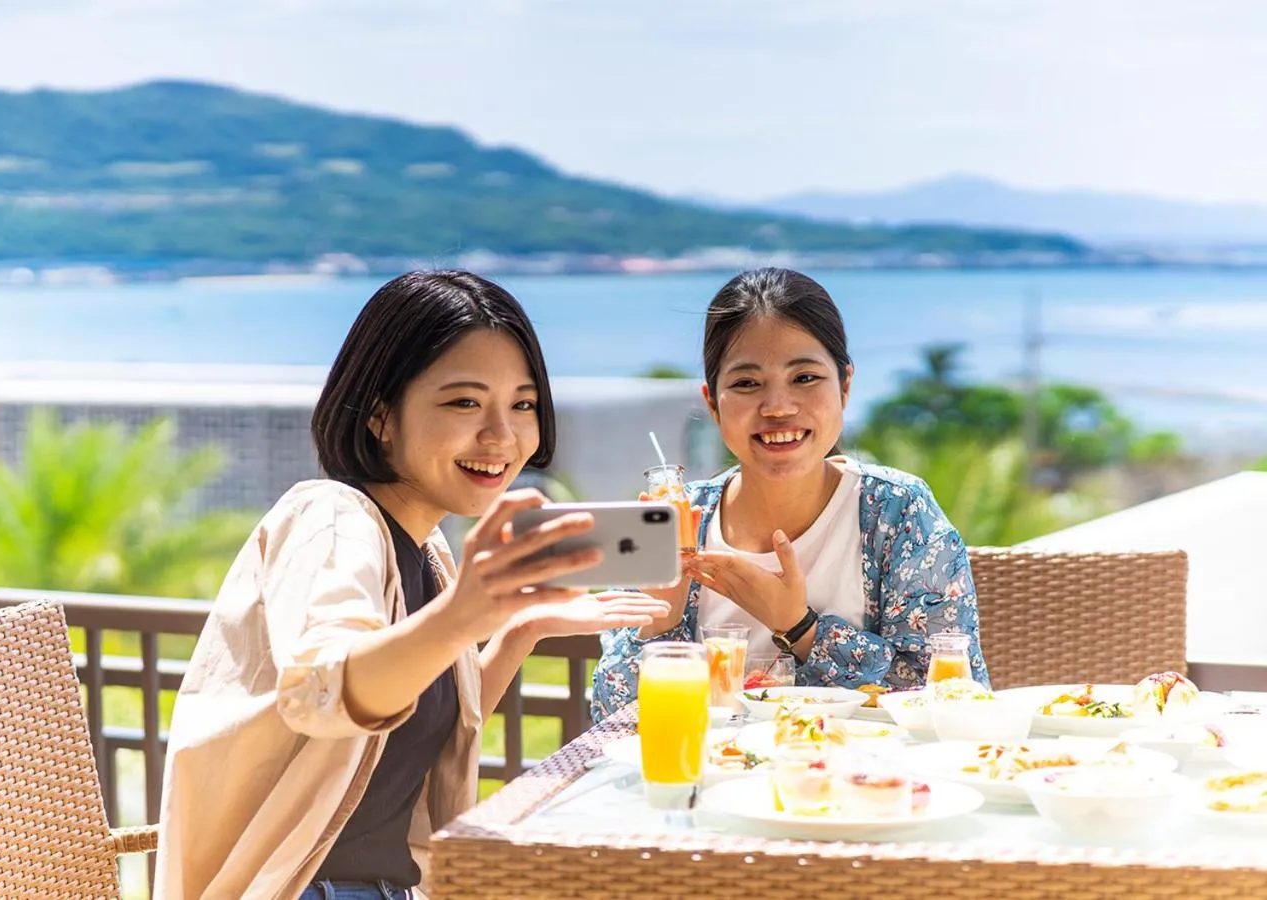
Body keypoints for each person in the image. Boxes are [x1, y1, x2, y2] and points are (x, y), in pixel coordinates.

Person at [154, 271, 668, 900]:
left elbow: (403, 715)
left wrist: (513, 632)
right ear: (380, 416)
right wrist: (461, 614)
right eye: (463, 402)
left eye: (523, 404)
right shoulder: (332, 517)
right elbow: (321, 690)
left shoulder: (424, 547)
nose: (501, 436)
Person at [592, 267, 988, 722]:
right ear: (712, 403)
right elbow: (610, 722)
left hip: (859, 785)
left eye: (804, 378)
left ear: (845, 386)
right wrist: (660, 615)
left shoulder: (896, 512)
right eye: (746, 383)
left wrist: (801, 627)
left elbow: (958, 702)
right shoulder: (671, 522)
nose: (778, 407)